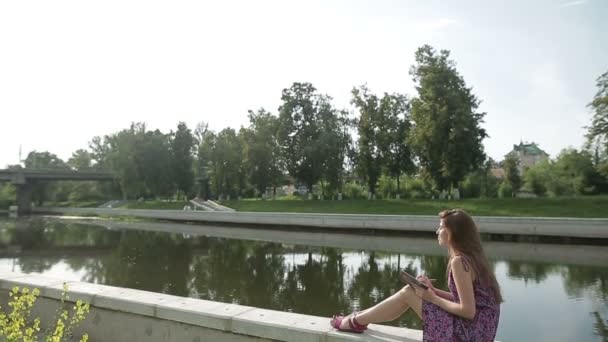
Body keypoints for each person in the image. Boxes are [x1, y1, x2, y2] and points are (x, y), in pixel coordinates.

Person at [330, 209, 502, 341]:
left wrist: (432, 298)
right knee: (410, 291)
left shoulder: (459, 262)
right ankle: (357, 319)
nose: (437, 231)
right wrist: (434, 291)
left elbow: (468, 311)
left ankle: (355, 321)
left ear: (453, 232)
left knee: (407, 293)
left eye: (441, 227)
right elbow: (467, 301)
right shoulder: (472, 258)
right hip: (480, 333)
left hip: (469, 335)